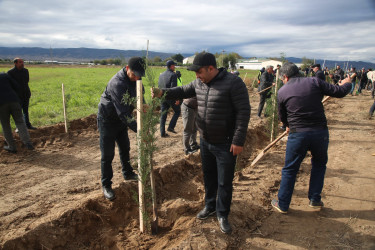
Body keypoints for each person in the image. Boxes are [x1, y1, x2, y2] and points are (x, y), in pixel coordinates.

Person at [152, 52, 250, 234]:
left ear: (211, 68)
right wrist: (162, 93)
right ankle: (210, 206)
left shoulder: (233, 83)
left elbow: (243, 113)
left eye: (199, 72)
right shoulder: (199, 83)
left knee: (224, 182)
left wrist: (238, 140)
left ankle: (222, 214)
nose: (197, 76)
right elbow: (182, 91)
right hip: (205, 141)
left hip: (226, 143)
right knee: (209, 177)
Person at [271, 62, 352, 214]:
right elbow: (339, 92)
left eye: (282, 79)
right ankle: (315, 199)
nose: (282, 81)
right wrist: (347, 84)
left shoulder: (282, 91)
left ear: (286, 77)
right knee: (319, 165)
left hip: (297, 135)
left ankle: (282, 204)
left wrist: (287, 125)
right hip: (319, 133)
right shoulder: (314, 81)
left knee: (290, 169)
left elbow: (282, 115)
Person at [97, 57, 145, 201]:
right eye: (134, 74)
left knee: (125, 147)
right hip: (108, 120)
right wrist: (140, 130)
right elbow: (123, 113)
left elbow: (140, 99)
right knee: (107, 154)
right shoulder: (117, 84)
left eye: (139, 75)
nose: (137, 77)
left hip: (121, 120)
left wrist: (144, 109)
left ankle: (128, 173)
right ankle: (106, 185)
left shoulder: (137, 79)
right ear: (127, 68)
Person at [0, 73, 34, 153]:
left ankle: (12, 147)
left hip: (1, 104)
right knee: (20, 122)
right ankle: (28, 143)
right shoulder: (4, 75)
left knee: (5, 125)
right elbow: (17, 86)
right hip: (14, 101)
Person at [7, 58, 36, 130]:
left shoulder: (26, 71)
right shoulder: (10, 72)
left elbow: (27, 81)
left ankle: (28, 125)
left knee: (25, 111)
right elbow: (10, 85)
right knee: (18, 112)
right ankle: (19, 127)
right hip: (17, 96)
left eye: (22, 62)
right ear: (15, 63)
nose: (22, 63)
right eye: (20, 62)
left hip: (26, 94)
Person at [158, 60, 181, 137]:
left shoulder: (161, 75)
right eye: (174, 65)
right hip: (170, 97)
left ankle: (162, 133)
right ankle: (171, 127)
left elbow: (159, 87)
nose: (175, 67)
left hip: (162, 97)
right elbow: (173, 88)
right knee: (177, 111)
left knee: (163, 115)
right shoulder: (173, 75)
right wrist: (177, 99)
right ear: (171, 66)